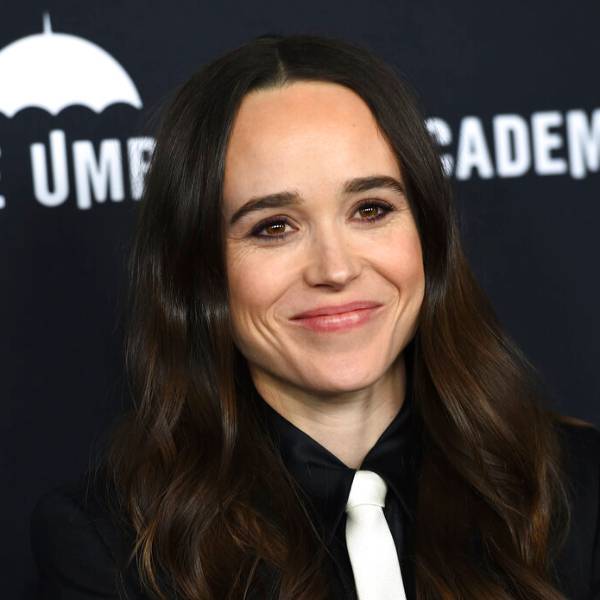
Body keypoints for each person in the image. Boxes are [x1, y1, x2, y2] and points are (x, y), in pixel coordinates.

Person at [30, 33, 600, 600]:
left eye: (370, 210)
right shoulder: (109, 549)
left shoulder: (581, 486)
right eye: (273, 226)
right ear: (198, 270)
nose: (336, 269)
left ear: (428, 234)